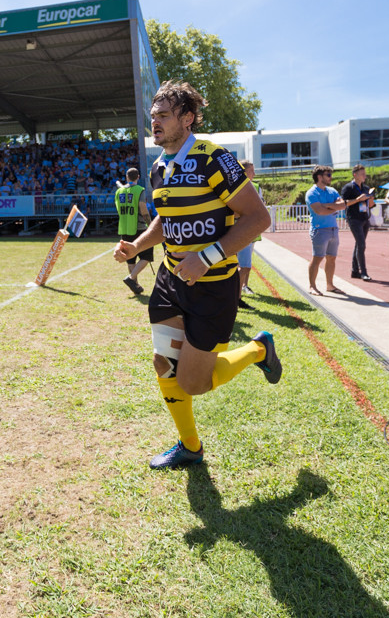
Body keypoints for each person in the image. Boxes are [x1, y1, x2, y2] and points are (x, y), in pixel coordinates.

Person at [114, 80, 280, 470]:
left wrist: (206, 256)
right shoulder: (158, 167)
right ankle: (190, 446)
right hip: (171, 281)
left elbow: (259, 218)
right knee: (162, 364)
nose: (154, 121)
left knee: (194, 383)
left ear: (187, 119)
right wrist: (137, 246)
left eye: (164, 115)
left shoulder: (213, 158)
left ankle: (259, 349)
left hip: (212, 286)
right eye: (152, 115)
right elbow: (164, 220)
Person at [305, 166, 369, 296]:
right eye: (328, 175)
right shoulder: (312, 193)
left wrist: (328, 206)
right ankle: (312, 286)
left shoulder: (332, 190)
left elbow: (342, 205)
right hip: (319, 230)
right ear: (319, 176)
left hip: (333, 229)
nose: (331, 177)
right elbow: (320, 211)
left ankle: (329, 285)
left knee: (331, 259)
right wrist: (333, 207)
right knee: (317, 258)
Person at [114, 167, 152, 295]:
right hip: (139, 228)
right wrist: (150, 225)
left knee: (130, 258)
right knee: (147, 256)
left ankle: (135, 286)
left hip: (124, 228)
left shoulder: (119, 191)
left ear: (126, 177)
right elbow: (143, 208)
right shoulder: (139, 190)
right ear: (138, 177)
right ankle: (131, 279)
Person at [340, 164, 375, 281]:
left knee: (358, 244)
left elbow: (371, 205)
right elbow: (343, 203)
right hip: (354, 219)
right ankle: (363, 272)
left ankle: (355, 271)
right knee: (361, 244)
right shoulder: (348, 187)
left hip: (365, 218)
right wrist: (358, 199)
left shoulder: (366, 188)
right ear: (355, 175)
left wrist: (370, 199)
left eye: (365, 173)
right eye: (362, 174)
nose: (365, 176)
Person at [237, 161, 260, 307]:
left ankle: (236, 297)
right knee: (243, 267)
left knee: (244, 266)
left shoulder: (254, 186)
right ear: (244, 172)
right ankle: (235, 298)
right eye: (252, 170)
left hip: (248, 231)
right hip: (241, 231)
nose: (254, 174)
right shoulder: (238, 188)